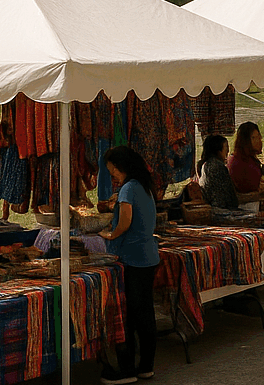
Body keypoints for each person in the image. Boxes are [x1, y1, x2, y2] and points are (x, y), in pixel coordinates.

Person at [99, 146, 160, 384]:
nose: (112, 175)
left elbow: (125, 221)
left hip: (134, 259)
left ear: (120, 167)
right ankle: (145, 366)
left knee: (131, 316)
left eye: (112, 170)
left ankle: (127, 370)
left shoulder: (128, 189)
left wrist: (111, 235)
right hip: (147, 256)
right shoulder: (143, 186)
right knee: (145, 314)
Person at [197, 135, 238, 208]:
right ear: (218, 150)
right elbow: (229, 197)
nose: (228, 151)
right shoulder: (217, 166)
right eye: (226, 147)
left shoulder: (206, 165)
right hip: (221, 210)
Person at [227, 121, 263, 194]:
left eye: (259, 137)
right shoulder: (239, 161)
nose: (258, 141)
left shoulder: (249, 159)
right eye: (253, 138)